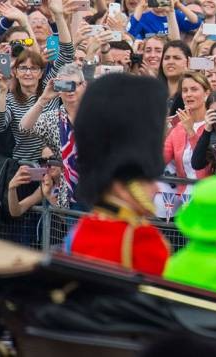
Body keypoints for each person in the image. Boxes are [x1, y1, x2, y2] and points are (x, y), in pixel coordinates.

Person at [65, 74, 170, 276]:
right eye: (146, 181)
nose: (156, 188)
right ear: (122, 185)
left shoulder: (81, 231)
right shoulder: (142, 240)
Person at [0, 0, 74, 160]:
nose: (28, 73)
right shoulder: (9, 99)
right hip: (23, 168)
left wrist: (59, 16)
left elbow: (67, 54)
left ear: (41, 72)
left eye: (33, 68)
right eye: (23, 68)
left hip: (56, 163)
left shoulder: (51, 87)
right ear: (15, 72)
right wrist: (3, 91)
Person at [20, 63, 86, 208]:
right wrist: (43, 99)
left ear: (84, 85)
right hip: (70, 194)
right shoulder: (53, 118)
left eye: (74, 85)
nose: (70, 91)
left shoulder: (98, 112)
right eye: (65, 85)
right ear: (58, 88)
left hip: (101, 191)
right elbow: (24, 128)